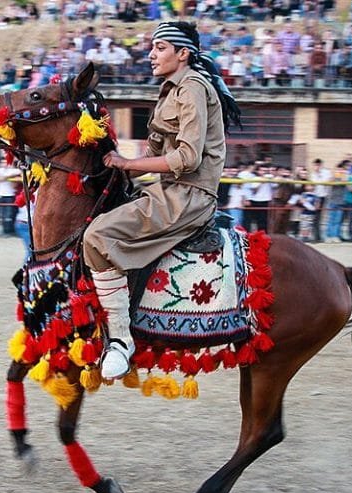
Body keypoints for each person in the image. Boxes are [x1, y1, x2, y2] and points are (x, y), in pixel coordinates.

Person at [83, 21, 240, 379]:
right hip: (166, 190)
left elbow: (187, 159)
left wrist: (128, 163)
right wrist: (102, 165)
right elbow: (148, 158)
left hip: (188, 195)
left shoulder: (193, 88)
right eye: (152, 48)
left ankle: (121, 342)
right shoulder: (168, 91)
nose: (151, 55)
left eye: (160, 48)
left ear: (182, 54)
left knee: (96, 236)